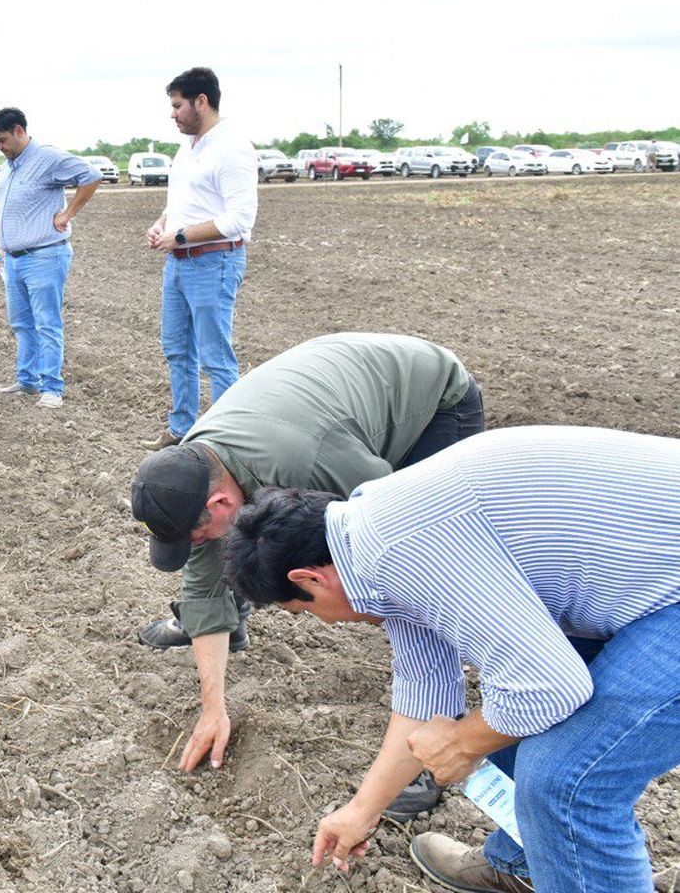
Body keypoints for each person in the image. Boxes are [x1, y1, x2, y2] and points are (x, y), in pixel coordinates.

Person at [223, 427, 680, 893]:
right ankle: (525, 867)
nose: (326, 624)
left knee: (564, 780)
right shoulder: (368, 537)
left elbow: (550, 688)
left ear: (310, 579)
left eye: (306, 610)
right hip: (649, 576)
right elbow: (424, 695)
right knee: (507, 716)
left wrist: (463, 741)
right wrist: (362, 810)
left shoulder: (404, 550)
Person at [131, 333, 484, 817]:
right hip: (325, 404)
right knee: (233, 545)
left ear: (219, 503)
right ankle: (233, 622)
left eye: (194, 537)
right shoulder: (197, 466)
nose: (197, 549)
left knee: (406, 578)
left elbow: (403, 545)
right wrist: (214, 707)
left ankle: (432, 741)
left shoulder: (313, 465)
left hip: (430, 400)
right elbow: (203, 579)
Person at [141, 67, 257, 451]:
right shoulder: (188, 146)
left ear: (201, 101)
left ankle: (227, 443)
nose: (173, 114)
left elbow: (238, 220)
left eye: (177, 106)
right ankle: (182, 429)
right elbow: (181, 203)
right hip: (178, 261)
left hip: (213, 262)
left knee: (214, 356)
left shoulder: (232, 147)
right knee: (176, 348)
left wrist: (178, 235)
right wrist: (162, 225)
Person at [0, 107, 103, 409]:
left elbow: (90, 176)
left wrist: (68, 213)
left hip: (44, 256)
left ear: (19, 131)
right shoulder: (10, 165)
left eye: (1, 140)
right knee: (22, 323)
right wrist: (5, 247)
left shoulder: (47, 158)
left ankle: (51, 387)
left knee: (47, 323)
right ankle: (27, 380)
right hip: (13, 259)